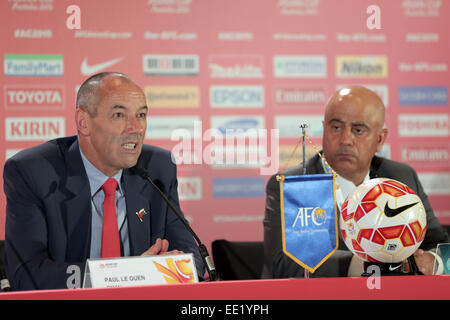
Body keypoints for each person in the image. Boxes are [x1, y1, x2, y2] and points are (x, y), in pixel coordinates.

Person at [3, 72, 204, 290]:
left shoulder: (157, 168)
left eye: (141, 115)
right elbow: (26, 275)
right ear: (84, 122)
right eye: (119, 115)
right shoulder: (34, 172)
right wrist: (132, 273)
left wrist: (154, 271)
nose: (136, 128)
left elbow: (191, 260)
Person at [263, 86, 449, 278]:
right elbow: (284, 263)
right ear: (324, 128)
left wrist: (432, 262)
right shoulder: (293, 185)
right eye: (336, 127)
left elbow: (440, 245)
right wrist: (368, 265)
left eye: (358, 130)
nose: (345, 139)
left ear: (379, 139)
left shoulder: (401, 178)